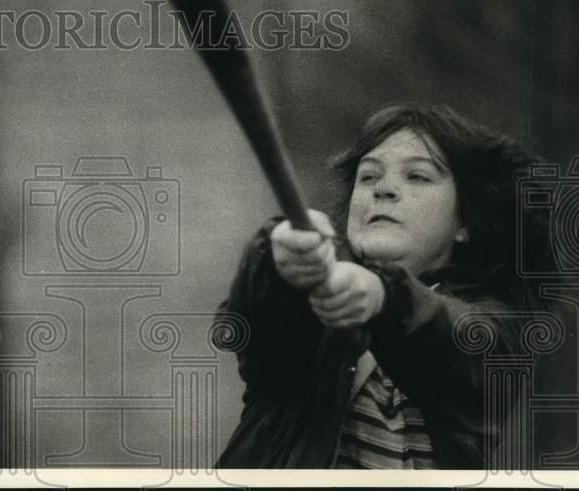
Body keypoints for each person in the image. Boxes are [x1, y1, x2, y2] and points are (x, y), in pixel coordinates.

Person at [215, 104, 553, 469]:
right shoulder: (312, 299)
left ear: (465, 223)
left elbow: (461, 345)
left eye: (418, 177)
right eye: (369, 176)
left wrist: (383, 296)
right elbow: (260, 323)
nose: (384, 189)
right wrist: (279, 262)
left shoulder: (499, 321)